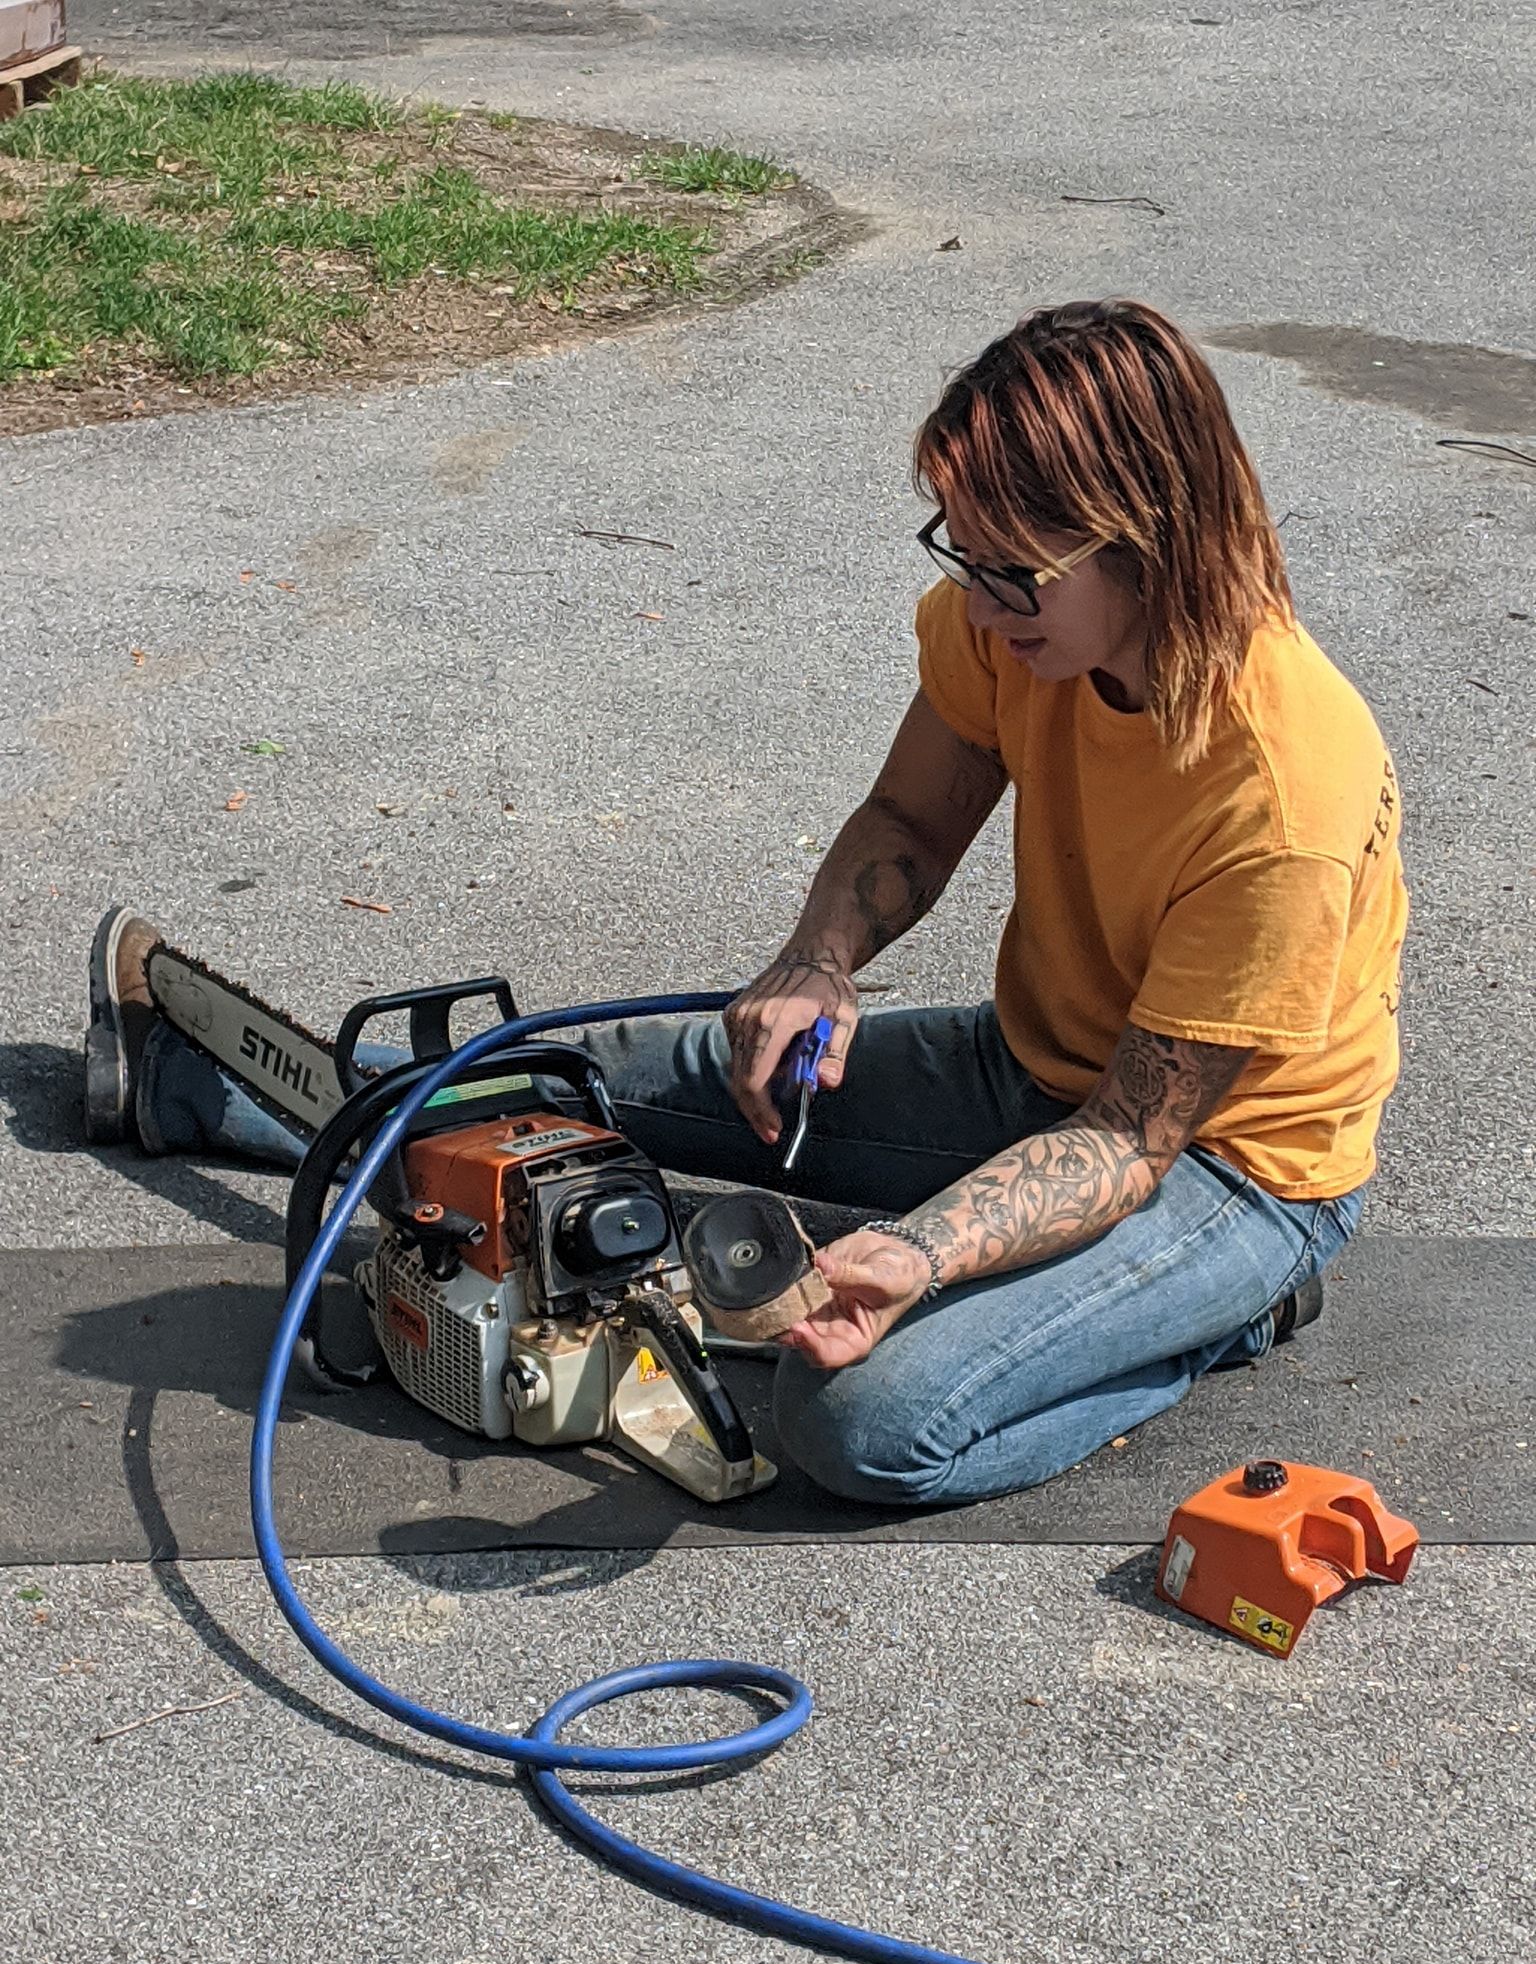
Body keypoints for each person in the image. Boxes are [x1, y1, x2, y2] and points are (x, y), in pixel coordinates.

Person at [85, 298, 1407, 1509]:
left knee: (853, 1420)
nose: (983, 599)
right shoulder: (1016, 626)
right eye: (965, 553)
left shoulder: (1283, 791)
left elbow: (1129, 1143)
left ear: (1148, 538)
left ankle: (1216, 1315)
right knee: (563, 1089)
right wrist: (816, 961)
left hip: (1235, 1173)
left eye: (1019, 571)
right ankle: (212, 1083)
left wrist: (923, 1254)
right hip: (1034, 1070)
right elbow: (907, 822)